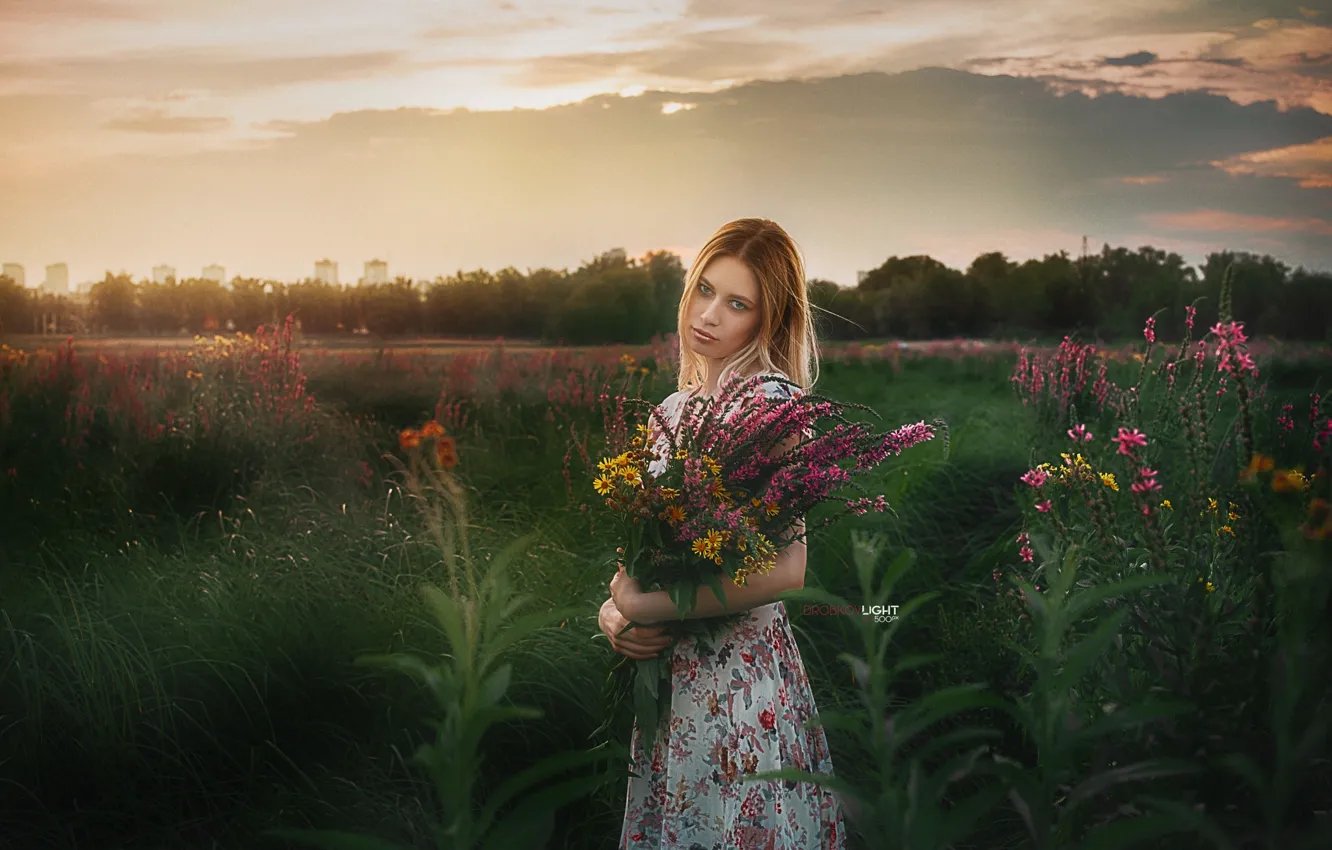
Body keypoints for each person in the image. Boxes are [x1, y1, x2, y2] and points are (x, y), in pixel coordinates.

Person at [598, 218, 847, 849]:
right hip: (673, 687)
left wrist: (642, 605)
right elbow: (640, 555)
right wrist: (614, 614)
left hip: (738, 686)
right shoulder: (671, 412)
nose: (708, 315)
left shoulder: (776, 408)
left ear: (770, 319)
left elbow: (787, 571)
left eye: (737, 304)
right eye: (704, 290)